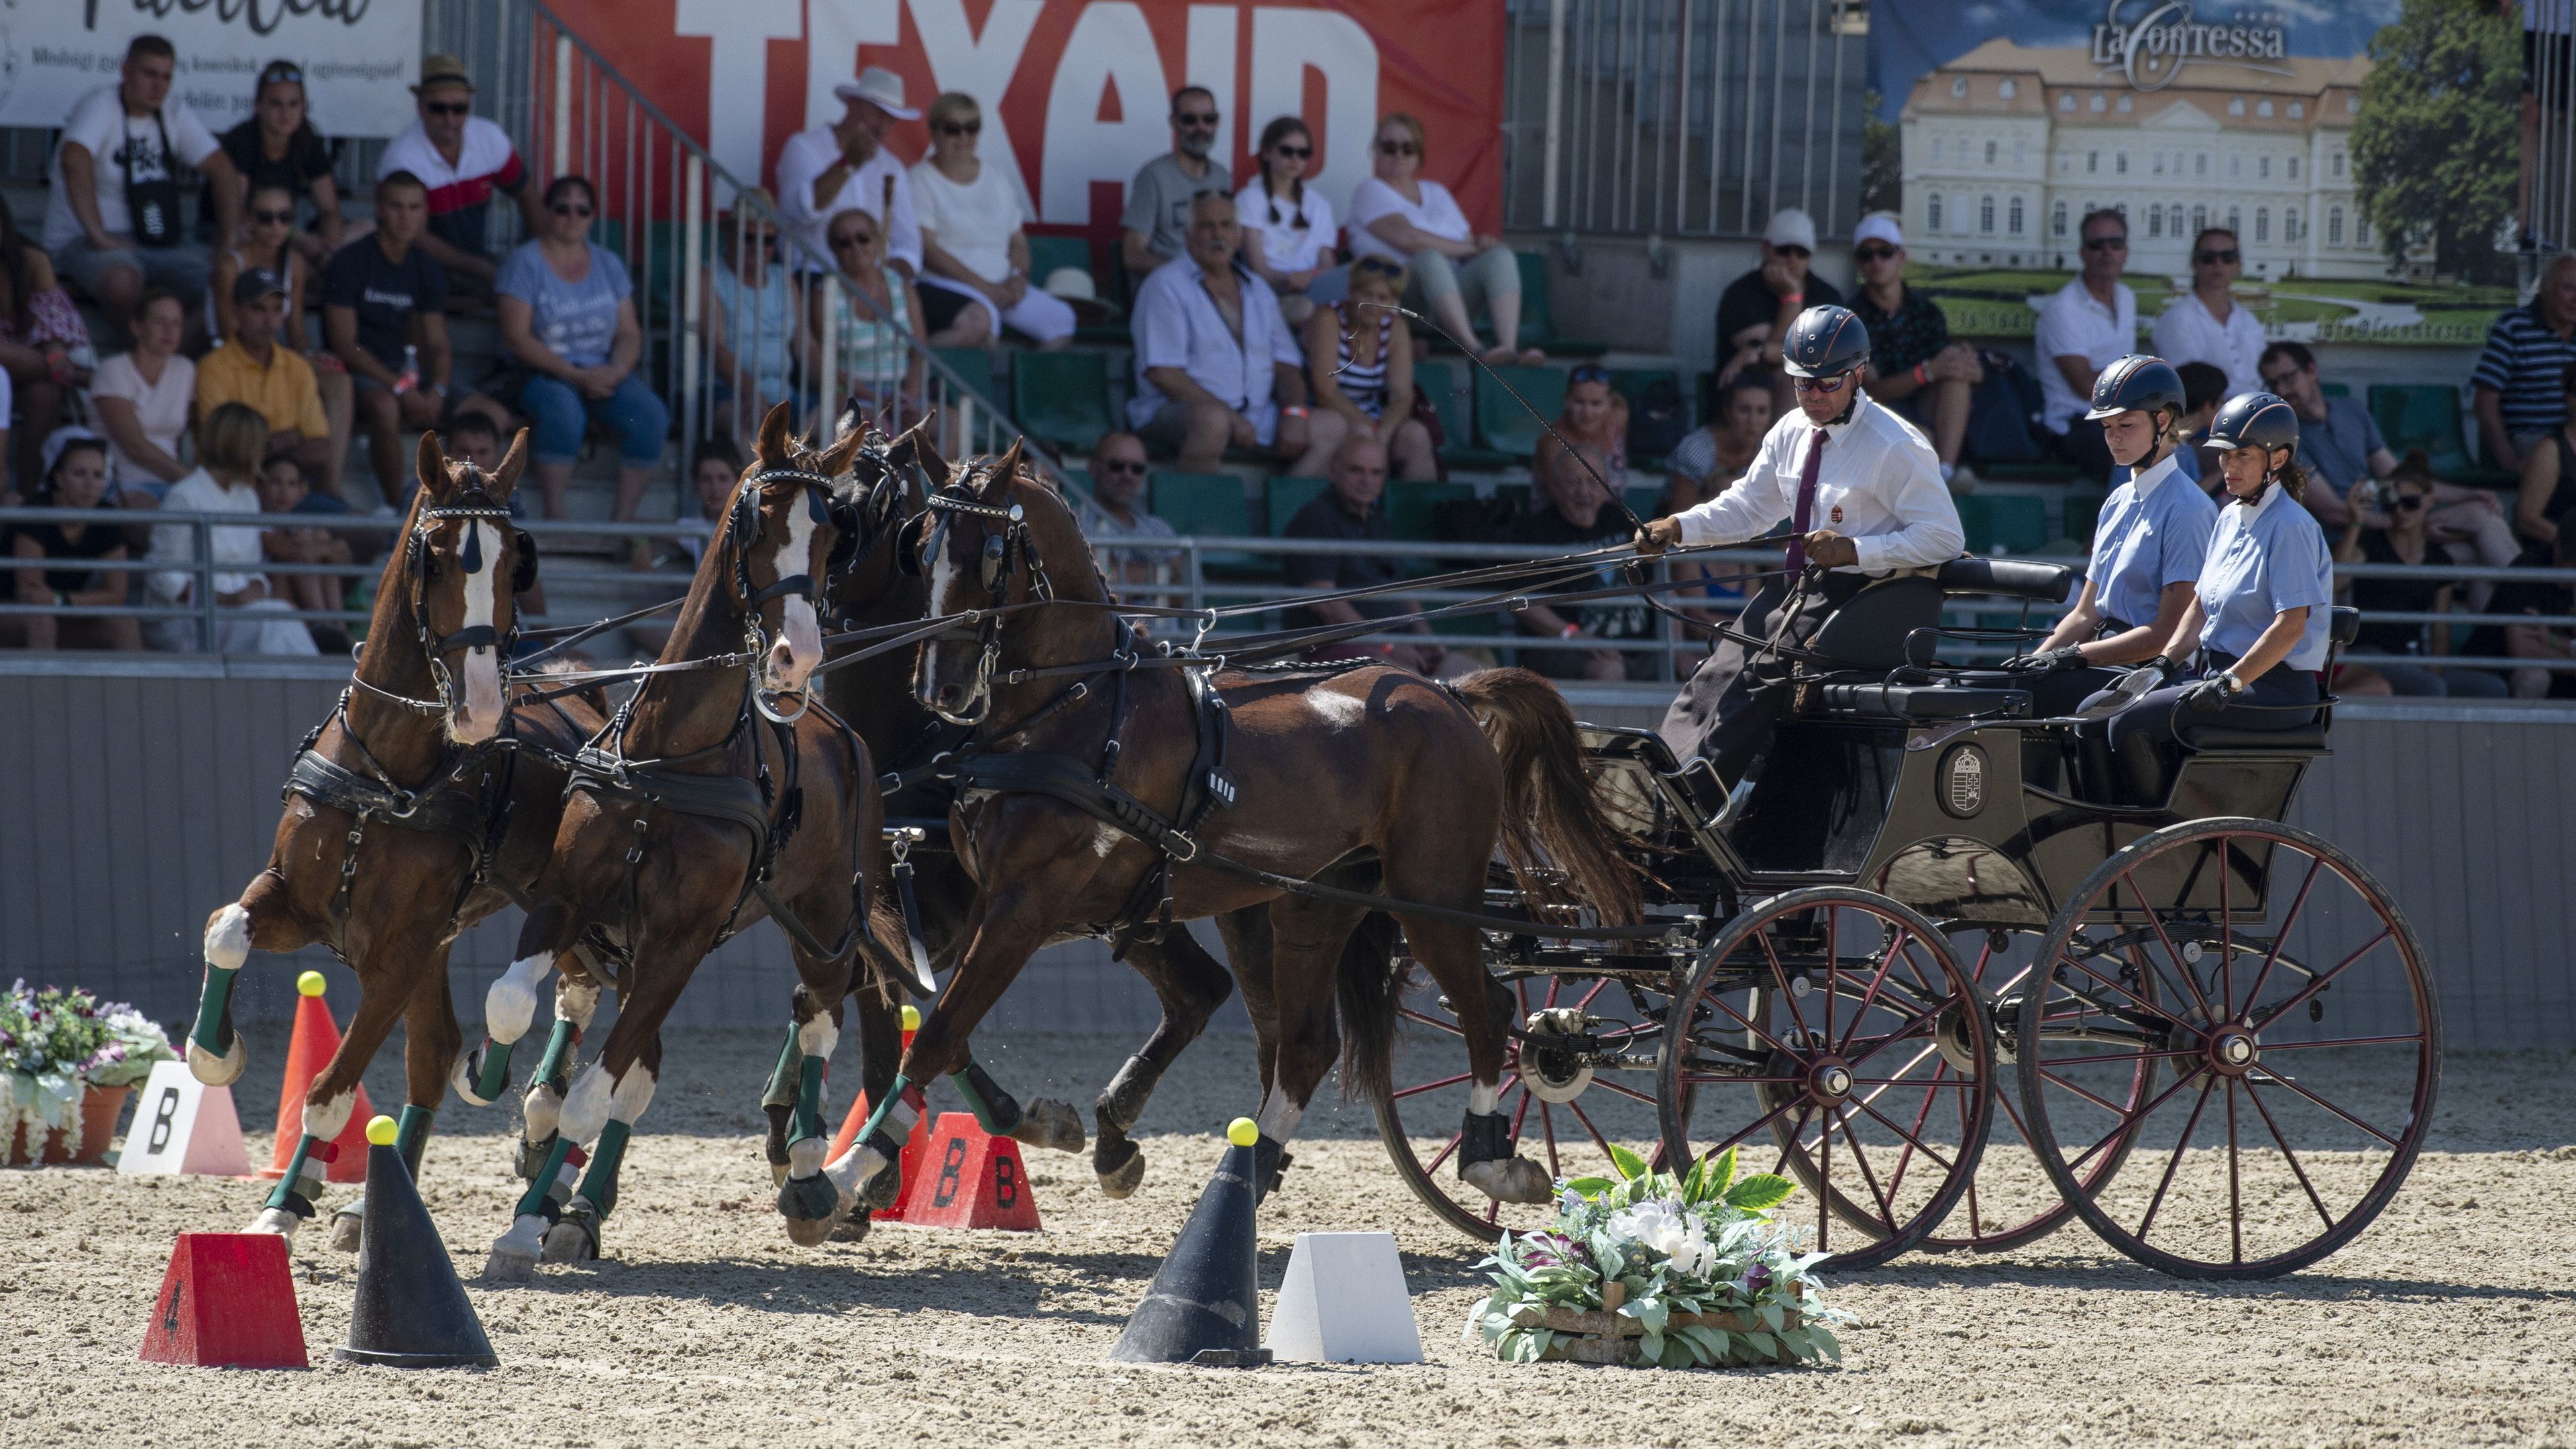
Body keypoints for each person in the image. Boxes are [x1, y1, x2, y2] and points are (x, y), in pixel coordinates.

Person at [1637, 305, 1964, 787]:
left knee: (1760, 673)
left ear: (1857, 376)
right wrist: (1679, 527)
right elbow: (1749, 509)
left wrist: (1855, 551)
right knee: (1721, 662)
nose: (1812, 395)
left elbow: (1945, 537)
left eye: (1827, 383)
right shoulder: (1790, 431)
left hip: (1866, 597)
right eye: (1802, 383)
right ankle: (1657, 783)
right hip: (1801, 589)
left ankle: (1696, 796)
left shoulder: (1895, 444)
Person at [2092, 392, 2332, 804]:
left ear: (2277, 459)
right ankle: (2106, 821)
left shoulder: (2291, 526)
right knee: (2099, 708)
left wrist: (2231, 682)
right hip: (2221, 678)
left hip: (2273, 690)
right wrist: (2162, 665)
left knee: (2130, 722)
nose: (2229, 467)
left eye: (2242, 456)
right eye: (2223, 455)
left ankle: (2156, 827)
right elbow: (2199, 606)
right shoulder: (2228, 516)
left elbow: (2290, 626)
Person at [2003, 358, 2217, 716]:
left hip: (2151, 671)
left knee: (2025, 698)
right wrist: (2034, 663)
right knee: (2001, 690)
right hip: (2102, 659)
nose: (2113, 437)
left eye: (2126, 425)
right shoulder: (2117, 501)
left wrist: (2071, 657)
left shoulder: (2188, 509)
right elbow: (2086, 613)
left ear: (2162, 421)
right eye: (2107, 426)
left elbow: (2169, 633)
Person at [469, 175, 664, 525]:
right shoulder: (524, 263)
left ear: (593, 216)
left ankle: (622, 523)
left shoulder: (609, 263)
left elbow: (629, 332)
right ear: (546, 212)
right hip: (540, 371)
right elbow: (516, 338)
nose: (572, 216)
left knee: (650, 416)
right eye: (562, 208)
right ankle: (556, 518)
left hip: (603, 371)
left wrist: (617, 371)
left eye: (582, 209)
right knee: (563, 412)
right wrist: (575, 375)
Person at [2260, 341, 2517, 602]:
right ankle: (2533, 604)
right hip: (2351, 541)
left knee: (2481, 518)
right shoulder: (2284, 439)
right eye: (2273, 385)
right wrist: (2409, 524)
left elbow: (2398, 478)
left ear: (2312, 371)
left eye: (2288, 378)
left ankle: (2519, 619)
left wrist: (2470, 493)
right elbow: (2335, 512)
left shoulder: (2351, 409)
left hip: (2391, 519)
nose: (2282, 390)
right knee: (2476, 549)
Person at [1127, 192, 1343, 476]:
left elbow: (1287, 365)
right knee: (1212, 422)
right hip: (1174, 410)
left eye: (1227, 226)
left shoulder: (1258, 289)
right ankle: (1195, 519)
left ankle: (1287, 518)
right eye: (1207, 226)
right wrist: (1229, 416)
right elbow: (1164, 374)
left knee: (1333, 428)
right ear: (1189, 236)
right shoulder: (1165, 286)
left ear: (1239, 236)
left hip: (1256, 415)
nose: (1218, 234)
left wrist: (1294, 412)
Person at [44, 34, 239, 341]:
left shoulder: (173, 111)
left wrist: (226, 240)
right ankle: (138, 361)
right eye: (149, 74)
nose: (158, 86)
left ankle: (164, 364)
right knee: (124, 283)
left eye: (166, 77)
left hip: (155, 241)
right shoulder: (102, 104)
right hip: (83, 240)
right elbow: (74, 159)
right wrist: (98, 233)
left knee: (227, 282)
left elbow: (224, 170)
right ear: (125, 71)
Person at [1346, 113, 1541, 366]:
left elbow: (1467, 242)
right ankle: (1476, 351)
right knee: (1428, 258)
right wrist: (1470, 248)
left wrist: (1479, 246)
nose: (1398, 155)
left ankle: (1508, 350)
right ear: (1376, 151)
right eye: (1389, 147)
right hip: (1400, 298)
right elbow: (1410, 239)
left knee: (1499, 257)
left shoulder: (1436, 192)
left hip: (1452, 300)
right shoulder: (1369, 190)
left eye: (1408, 148)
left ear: (1419, 154)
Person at [145, 402, 319, 654]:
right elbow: (161, 575)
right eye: (260, 446)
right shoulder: (185, 496)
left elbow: (252, 568)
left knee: (279, 613)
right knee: (274, 619)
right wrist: (222, 599)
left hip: (238, 613)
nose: (263, 455)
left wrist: (258, 587)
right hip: (187, 618)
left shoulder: (247, 497)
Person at [2332, 455, 2508, 699]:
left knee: (2491, 688)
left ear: (2430, 500)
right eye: (2392, 504)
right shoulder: (2371, 543)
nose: (2400, 511)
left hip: (2412, 657)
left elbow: (2440, 630)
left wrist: (2435, 671)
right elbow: (2336, 582)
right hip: (2370, 654)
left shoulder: (2439, 559)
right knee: (2430, 688)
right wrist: (2355, 522)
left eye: (2410, 502)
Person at [326, 170, 451, 508]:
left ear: (425, 213)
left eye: (414, 208)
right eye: (396, 207)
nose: (405, 217)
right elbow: (345, 343)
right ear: (379, 209)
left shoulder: (427, 268)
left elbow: (438, 343)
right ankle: (400, 510)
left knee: (480, 411)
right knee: (385, 408)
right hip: (361, 370)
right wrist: (400, 388)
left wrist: (438, 389)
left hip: (409, 372)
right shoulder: (350, 262)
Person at [910, 93, 1073, 348]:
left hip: (1001, 285)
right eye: (953, 129)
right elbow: (928, 249)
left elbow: (1017, 240)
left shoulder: (997, 178)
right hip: (948, 285)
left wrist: (1018, 277)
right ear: (934, 132)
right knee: (981, 329)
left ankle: (1026, 388)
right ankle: (915, 372)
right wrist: (984, 287)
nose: (964, 137)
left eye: (971, 128)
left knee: (1061, 320)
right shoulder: (920, 178)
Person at [1281, 435, 1449, 673]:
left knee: (1471, 676)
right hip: (1336, 650)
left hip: (1393, 648)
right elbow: (1325, 604)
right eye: (1356, 471)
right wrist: (1388, 646)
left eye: (1376, 473)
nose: (1367, 481)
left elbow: (1402, 589)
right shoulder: (1316, 518)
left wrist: (1427, 640)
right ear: (1333, 471)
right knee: (1409, 684)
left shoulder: (1378, 522)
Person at [374, 54, 539, 291]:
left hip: (473, 266)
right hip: (415, 270)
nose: (449, 119)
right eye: (438, 108)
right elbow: (412, 235)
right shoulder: (402, 157)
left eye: (459, 109)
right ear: (420, 107)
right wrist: (481, 269)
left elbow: (529, 196)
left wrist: (541, 259)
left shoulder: (489, 136)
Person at [1847, 214, 1982, 492]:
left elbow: (1949, 367)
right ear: (1858, 262)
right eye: (1867, 254)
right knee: (1921, 438)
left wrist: (1968, 366)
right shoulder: (1851, 318)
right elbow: (1870, 392)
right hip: (1879, 415)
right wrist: (1927, 371)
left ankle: (1945, 474)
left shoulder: (1926, 311)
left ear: (1901, 257)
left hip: (1927, 405)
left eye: (1885, 253)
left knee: (1957, 379)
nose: (1876, 262)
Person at [1511, 443, 1658, 681]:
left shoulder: (1623, 521)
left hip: (1639, 647)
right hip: (1566, 648)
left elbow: (1659, 581)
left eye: (1593, 482)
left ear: (1607, 485)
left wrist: (1677, 646)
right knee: (1611, 671)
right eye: (1573, 482)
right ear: (1556, 487)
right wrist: (1575, 636)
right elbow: (1522, 602)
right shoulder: (1535, 531)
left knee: (1701, 662)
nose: (1584, 492)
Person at [196, 272, 340, 498]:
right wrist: (286, 441)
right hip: (230, 493)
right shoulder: (212, 367)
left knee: (362, 528)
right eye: (258, 309)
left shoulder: (298, 367)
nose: (269, 321)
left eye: (276, 310)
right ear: (236, 311)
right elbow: (223, 450)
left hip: (289, 497)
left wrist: (270, 457)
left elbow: (321, 448)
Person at [776, 66, 924, 280]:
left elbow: (909, 248)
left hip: (874, 283)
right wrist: (848, 163)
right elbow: (803, 211)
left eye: (891, 120)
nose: (883, 128)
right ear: (853, 104)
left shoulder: (892, 166)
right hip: (815, 275)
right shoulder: (804, 147)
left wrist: (884, 279)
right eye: (878, 114)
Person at [1302, 256, 1435, 480]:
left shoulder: (1395, 326)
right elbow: (1324, 391)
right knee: (1362, 436)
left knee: (1417, 436)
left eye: (1383, 298)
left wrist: (1384, 431)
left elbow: (1402, 396)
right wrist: (1371, 428)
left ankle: (1416, 513)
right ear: (1352, 292)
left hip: (1373, 418)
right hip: (1325, 413)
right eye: (1367, 295)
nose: (1373, 305)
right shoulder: (1328, 317)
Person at [10, 433, 141, 652]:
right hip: (13, 611)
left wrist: (60, 601)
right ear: (59, 478)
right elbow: (30, 594)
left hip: (63, 610)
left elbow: (116, 594)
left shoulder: (107, 516)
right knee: (42, 621)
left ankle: (139, 687)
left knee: (123, 623)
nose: (90, 484)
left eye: (99, 475)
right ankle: (45, 686)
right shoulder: (37, 512)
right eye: (80, 474)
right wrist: (59, 602)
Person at [2033, 209, 2137, 482]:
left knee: (2181, 447)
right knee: (2139, 452)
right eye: (2096, 244)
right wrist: (2143, 379)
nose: (2106, 251)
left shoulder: (2126, 298)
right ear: (2082, 253)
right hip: (2073, 424)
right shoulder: (2063, 309)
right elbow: (2085, 386)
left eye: (2115, 244)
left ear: (2125, 252)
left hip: (2120, 417)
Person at [207, 60, 344, 264]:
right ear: (259, 106)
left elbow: (329, 209)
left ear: (304, 106)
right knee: (240, 233)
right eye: (276, 104)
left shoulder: (307, 138)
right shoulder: (242, 139)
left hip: (281, 230)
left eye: (293, 104)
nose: (286, 113)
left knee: (364, 231)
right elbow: (240, 213)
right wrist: (298, 238)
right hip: (230, 230)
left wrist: (329, 248)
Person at [1713, 209, 1844, 413]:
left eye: (1801, 252)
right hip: (1745, 395)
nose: (1793, 259)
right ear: (1766, 248)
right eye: (1784, 250)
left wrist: (1759, 350)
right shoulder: (1741, 294)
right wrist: (1792, 298)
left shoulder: (1827, 297)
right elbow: (1768, 364)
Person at [0, 207, 96, 481]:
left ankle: (32, 494)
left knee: (45, 395)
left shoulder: (30, 260)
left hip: (28, 362)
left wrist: (55, 354)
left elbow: (52, 325)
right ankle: (78, 376)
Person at [808, 208, 928, 425]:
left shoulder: (902, 286)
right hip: (853, 394)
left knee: (952, 424)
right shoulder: (826, 294)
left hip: (901, 390)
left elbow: (919, 351)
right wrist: (877, 399)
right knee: (878, 424)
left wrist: (908, 397)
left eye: (863, 239)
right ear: (834, 250)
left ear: (878, 242)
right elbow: (826, 363)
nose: (856, 248)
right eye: (845, 243)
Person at [703, 193, 798, 439]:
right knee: (754, 421)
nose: (758, 247)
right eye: (748, 238)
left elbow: (806, 346)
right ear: (729, 234)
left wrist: (846, 388)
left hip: (785, 395)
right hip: (727, 392)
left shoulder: (784, 278)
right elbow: (716, 348)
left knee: (850, 417)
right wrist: (751, 393)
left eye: (767, 240)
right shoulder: (707, 276)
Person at [90, 289, 197, 505]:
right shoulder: (113, 369)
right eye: (160, 322)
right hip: (123, 483)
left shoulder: (185, 369)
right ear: (137, 327)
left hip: (173, 484)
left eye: (176, 324)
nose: (169, 330)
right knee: (162, 525)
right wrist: (194, 482)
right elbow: (134, 446)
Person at [2473, 253, 2576, 474]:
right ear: (2545, 289)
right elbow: (2485, 401)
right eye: (2569, 288)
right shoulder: (2514, 327)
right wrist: (2508, 460)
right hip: (2531, 438)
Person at [1120, 87, 1234, 282]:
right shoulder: (1153, 176)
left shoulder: (1222, 177)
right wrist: (1189, 274)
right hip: (1166, 287)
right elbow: (1133, 255)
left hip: (1212, 286)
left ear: (1218, 121)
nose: (1201, 128)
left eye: (1209, 119)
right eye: (1190, 120)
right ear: (1174, 122)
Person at [1236, 117, 1336, 327]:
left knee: (1373, 278)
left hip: (1314, 285)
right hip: (1272, 292)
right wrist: (1292, 280)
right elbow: (1258, 270)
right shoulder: (1250, 198)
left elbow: (1328, 263)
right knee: (1306, 308)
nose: (1295, 159)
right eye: (1286, 151)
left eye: (1303, 153)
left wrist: (1310, 275)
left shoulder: (1319, 205)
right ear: (1266, 153)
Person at [254, 453, 356, 654]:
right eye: (276, 482)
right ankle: (325, 625)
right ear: (260, 488)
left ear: (301, 492)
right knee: (300, 558)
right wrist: (322, 548)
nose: (283, 491)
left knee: (318, 546)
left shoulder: (301, 527)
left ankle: (335, 627)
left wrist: (322, 546)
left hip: (301, 601)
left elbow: (343, 555)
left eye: (291, 484)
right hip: (274, 597)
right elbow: (284, 550)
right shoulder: (257, 523)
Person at [2150, 228, 2265, 398]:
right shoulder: (2177, 319)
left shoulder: (2248, 320)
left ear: (2238, 265)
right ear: (2195, 264)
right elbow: (2190, 385)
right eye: (2208, 258)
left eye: (2228, 257)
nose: (2218, 264)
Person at [1071, 431, 1178, 596]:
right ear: (1093, 468)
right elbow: (1089, 582)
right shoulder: (1073, 522)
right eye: (1117, 466)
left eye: (1137, 469)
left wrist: (1119, 574)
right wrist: (1160, 575)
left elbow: (1183, 593)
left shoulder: (1160, 529)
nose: (1128, 475)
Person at [2514, 358, 2576, 559]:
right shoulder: (2550, 450)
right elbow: (2527, 519)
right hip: (2554, 558)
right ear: (2568, 397)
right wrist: (2570, 545)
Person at [1536, 364, 1630, 490]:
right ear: (1566, 401)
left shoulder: (1615, 426)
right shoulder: (1553, 442)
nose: (1587, 413)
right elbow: (1566, 500)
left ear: (1609, 404)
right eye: (1579, 402)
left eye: (1596, 404)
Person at [2172, 361, 2229, 491]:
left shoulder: (2184, 447)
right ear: (2207, 404)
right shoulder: (2170, 449)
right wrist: (2227, 469)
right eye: (2221, 401)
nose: (2224, 407)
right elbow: (2183, 499)